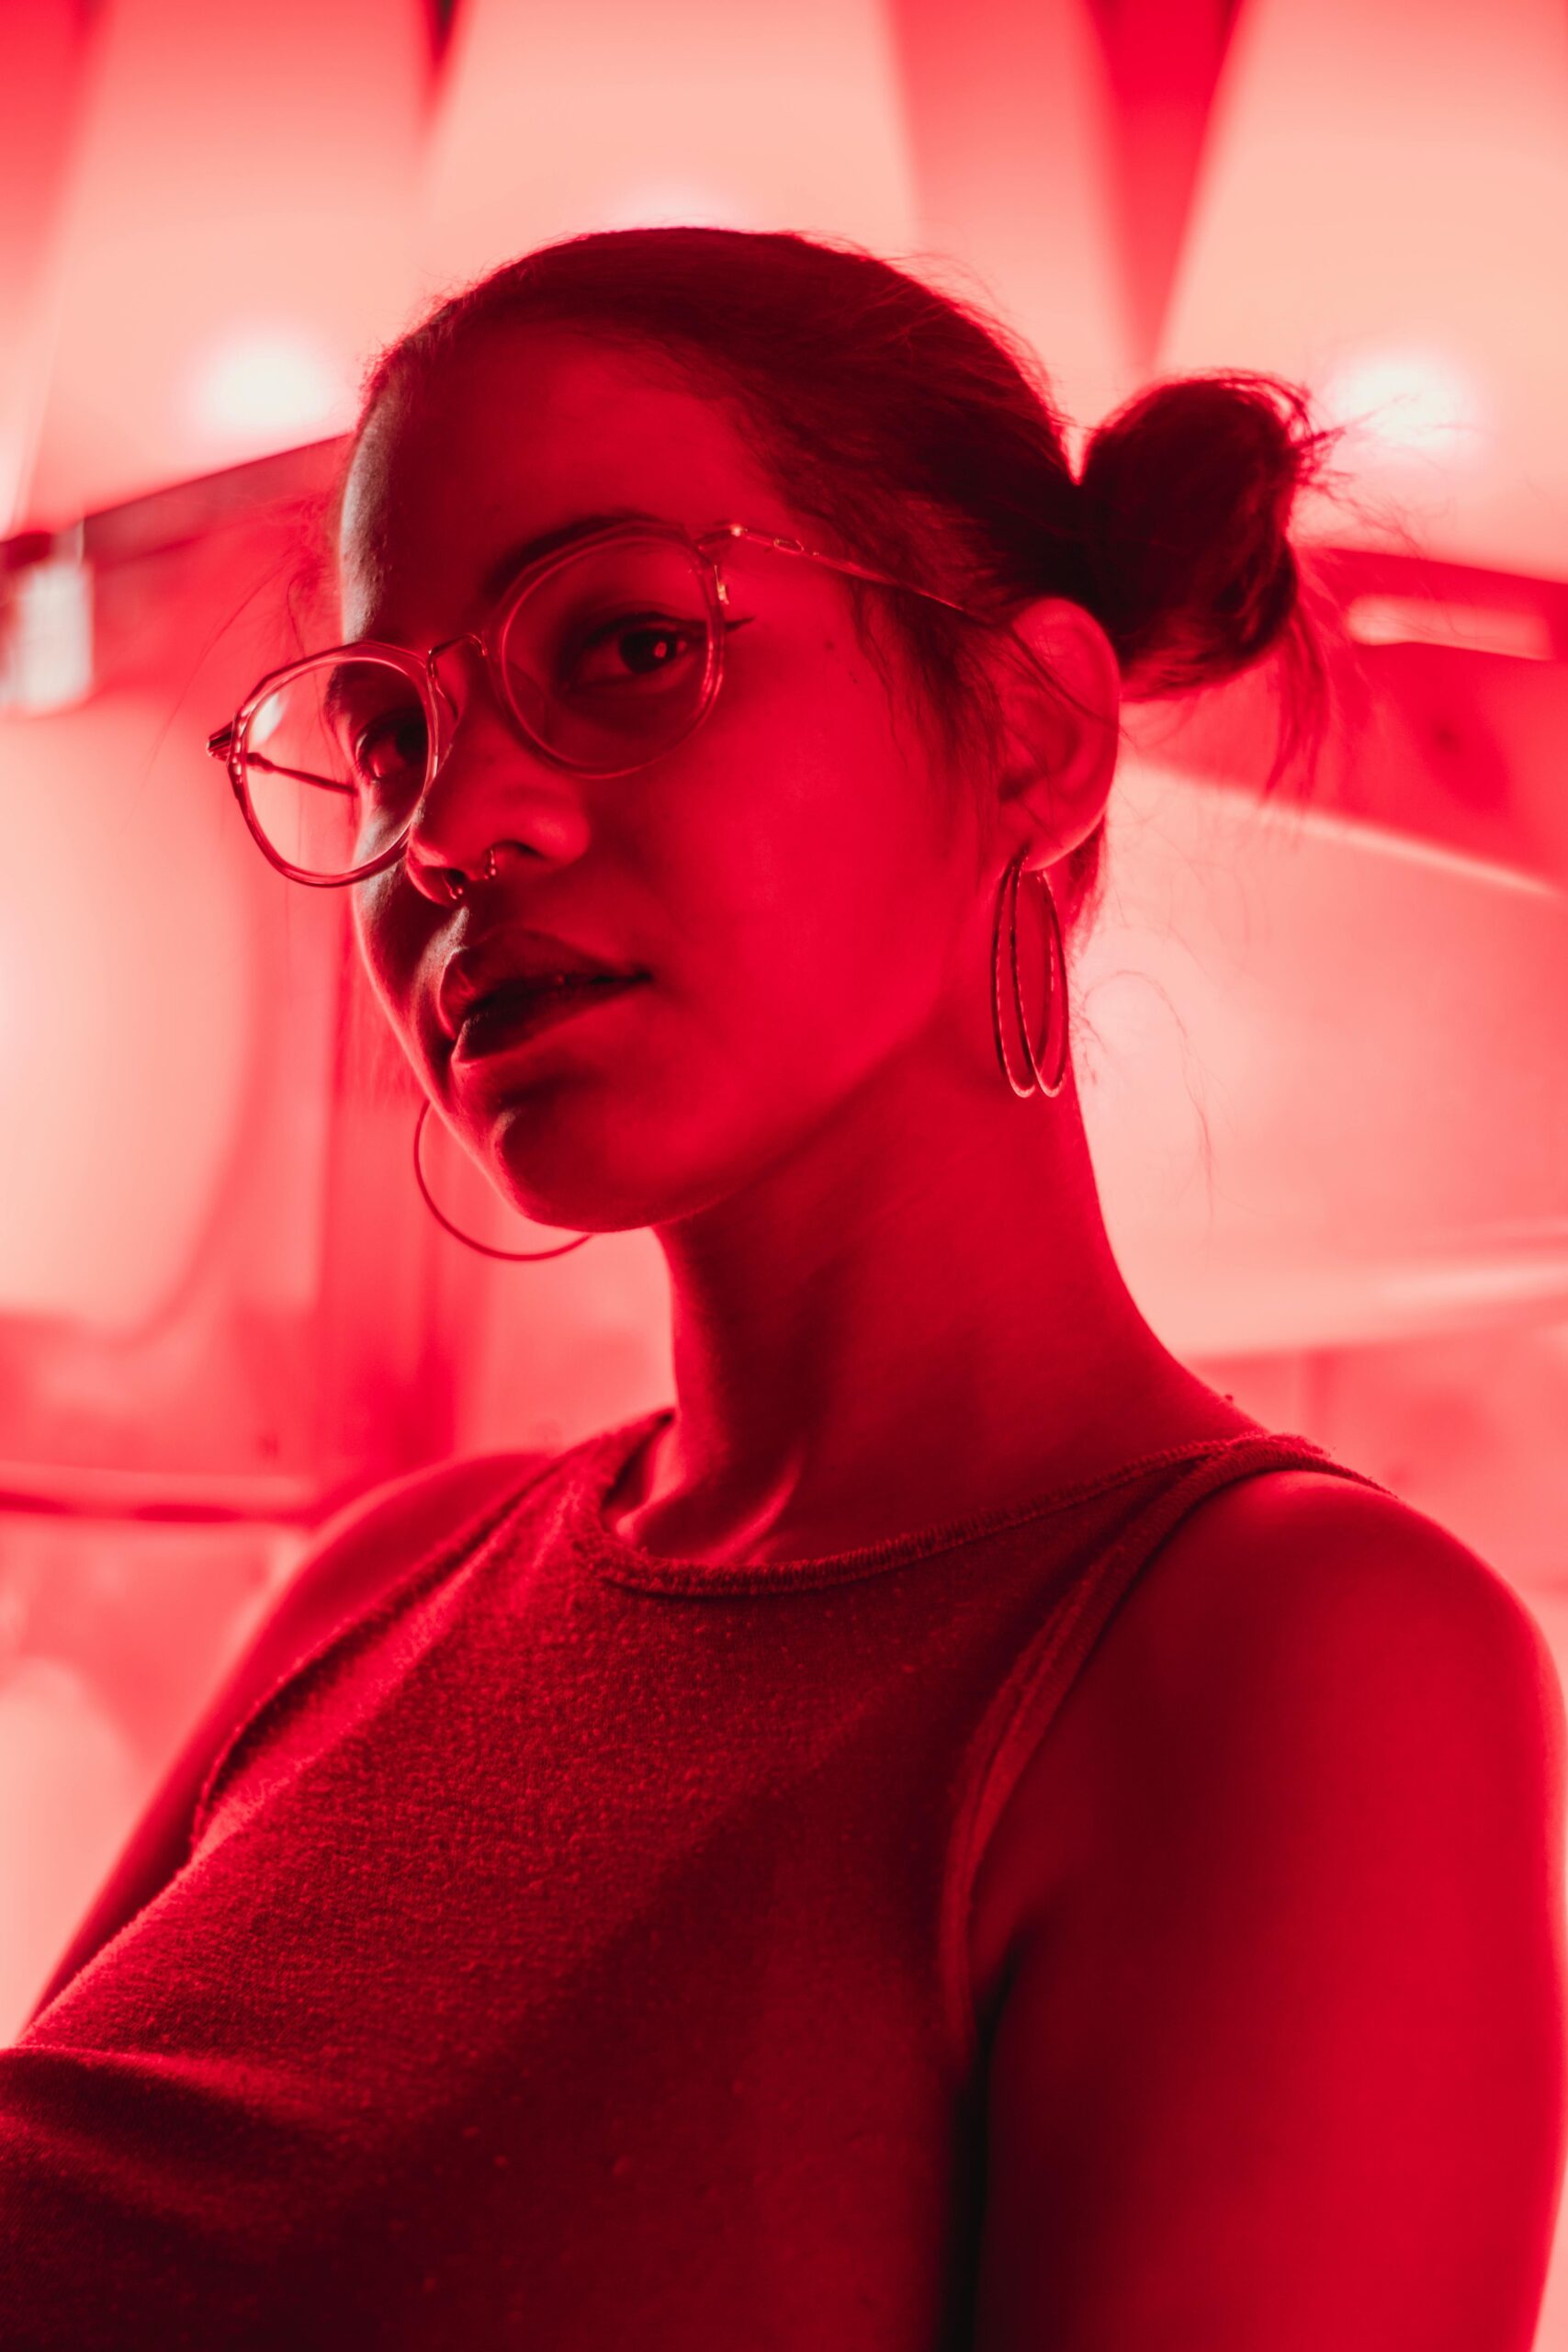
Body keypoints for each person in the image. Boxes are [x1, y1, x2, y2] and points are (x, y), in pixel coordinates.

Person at [3, 225, 1562, 2349]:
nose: (450, 827)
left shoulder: (1288, 1653)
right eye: (386, 736)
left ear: (1029, 731)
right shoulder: (376, 1587)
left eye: (626, 646)